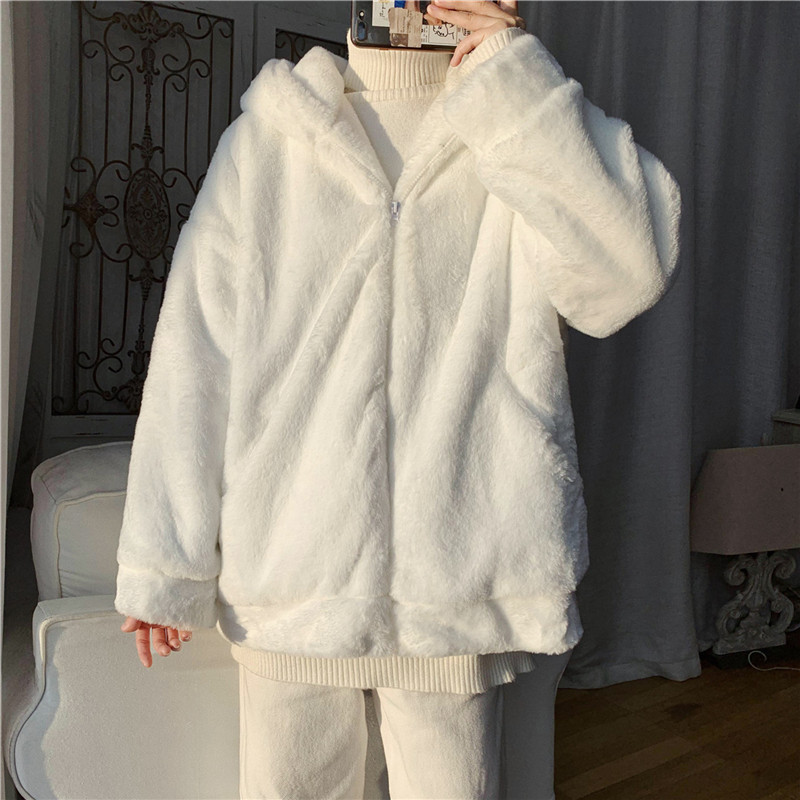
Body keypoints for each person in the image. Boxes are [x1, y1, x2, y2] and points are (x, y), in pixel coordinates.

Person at [116, 1, 682, 798]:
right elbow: (193, 356)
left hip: (457, 576)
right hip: (294, 573)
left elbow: (627, 275)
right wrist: (163, 560)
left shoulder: (509, 130)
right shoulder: (268, 141)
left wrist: (514, 77)